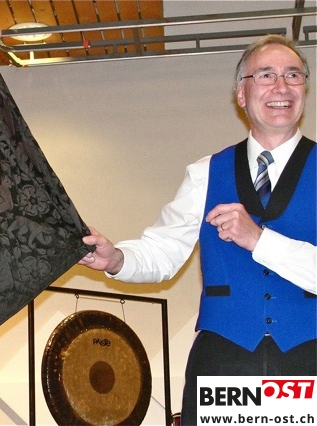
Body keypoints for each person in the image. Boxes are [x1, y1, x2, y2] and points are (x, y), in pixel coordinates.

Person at [79, 34, 316, 425]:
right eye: (266, 75)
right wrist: (117, 259)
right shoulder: (206, 172)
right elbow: (163, 250)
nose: (281, 86)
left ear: (304, 89)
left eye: (293, 75)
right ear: (241, 94)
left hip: (309, 357)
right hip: (224, 360)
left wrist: (259, 240)